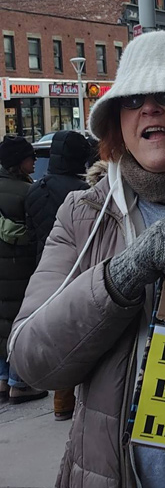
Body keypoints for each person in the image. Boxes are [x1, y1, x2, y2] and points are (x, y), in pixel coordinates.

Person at [9, 31, 165, 488]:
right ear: (116, 123)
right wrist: (123, 275)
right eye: (132, 99)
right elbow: (32, 360)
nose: (149, 108)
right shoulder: (84, 215)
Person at [24, 130, 92, 420]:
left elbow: (31, 232)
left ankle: (61, 402)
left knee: (56, 335)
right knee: (78, 335)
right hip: (77, 269)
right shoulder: (83, 192)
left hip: (46, 266)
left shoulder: (35, 189)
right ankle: (71, 400)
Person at [0, 136, 45, 405]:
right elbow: (35, 233)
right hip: (20, 268)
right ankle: (20, 383)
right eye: (31, 157)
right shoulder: (28, 192)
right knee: (20, 322)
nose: (35, 160)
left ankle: (3, 379)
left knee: (2, 323)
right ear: (19, 162)